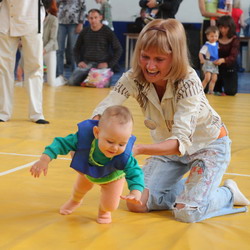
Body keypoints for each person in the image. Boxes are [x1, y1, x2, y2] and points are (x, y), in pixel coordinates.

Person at [88, 18, 249, 223]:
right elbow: (107, 105)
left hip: (208, 146)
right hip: (168, 148)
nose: (150, 65)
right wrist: (87, 134)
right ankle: (193, 190)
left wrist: (137, 149)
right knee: (136, 203)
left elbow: (181, 140)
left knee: (186, 212)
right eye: (145, 57)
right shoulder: (133, 77)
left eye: (159, 59)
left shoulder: (189, 82)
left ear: (175, 57)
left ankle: (226, 193)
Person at [30, 105, 144, 224]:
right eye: (110, 141)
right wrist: (44, 159)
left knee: (110, 205)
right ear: (96, 132)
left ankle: (104, 210)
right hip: (89, 171)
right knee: (80, 189)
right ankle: (75, 200)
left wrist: (135, 192)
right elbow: (61, 143)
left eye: (121, 144)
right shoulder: (83, 138)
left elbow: (135, 172)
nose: (115, 148)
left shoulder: (125, 156)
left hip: (112, 177)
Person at [0, 0, 49, 124]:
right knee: (3, 68)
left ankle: (37, 113)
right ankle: (3, 112)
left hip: (32, 17)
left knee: (35, 67)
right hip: (6, 18)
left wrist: (43, 13)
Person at [68, 9, 123, 86]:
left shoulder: (107, 31)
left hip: (101, 66)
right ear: (88, 18)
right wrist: (79, 62)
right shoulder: (85, 31)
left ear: (100, 17)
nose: (93, 20)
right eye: (91, 18)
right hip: (87, 65)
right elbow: (76, 49)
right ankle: (87, 79)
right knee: (72, 82)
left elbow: (118, 49)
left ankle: (89, 80)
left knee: (102, 85)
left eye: (95, 17)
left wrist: (109, 64)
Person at [56, 0, 86, 84]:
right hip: (60, 22)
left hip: (74, 22)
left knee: (74, 50)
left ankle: (75, 75)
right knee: (59, 50)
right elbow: (56, 3)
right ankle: (59, 75)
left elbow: (83, 7)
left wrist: (81, 23)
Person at [213, 15, 239, 96]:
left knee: (231, 92)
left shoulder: (235, 39)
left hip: (229, 69)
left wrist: (223, 60)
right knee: (214, 90)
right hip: (215, 69)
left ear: (230, 28)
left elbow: (233, 57)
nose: (222, 30)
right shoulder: (214, 38)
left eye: (225, 28)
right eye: (220, 27)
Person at [199, 26, 219, 94]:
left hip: (215, 63)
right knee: (207, 78)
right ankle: (200, 90)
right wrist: (202, 60)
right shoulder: (206, 45)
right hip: (208, 62)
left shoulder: (217, 45)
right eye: (212, 36)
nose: (214, 38)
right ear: (208, 37)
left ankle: (210, 91)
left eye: (216, 36)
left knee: (214, 78)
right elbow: (201, 53)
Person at [43, 0, 59, 86]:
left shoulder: (54, 20)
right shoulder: (34, 19)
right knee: (37, 79)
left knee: (51, 82)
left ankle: (61, 80)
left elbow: (53, 40)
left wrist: (44, 49)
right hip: (37, 50)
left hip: (50, 50)